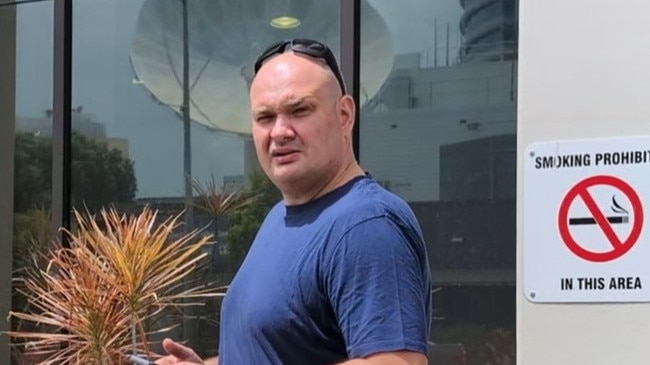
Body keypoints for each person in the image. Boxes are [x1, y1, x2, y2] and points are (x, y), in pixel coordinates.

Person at [155, 38, 432, 365]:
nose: (280, 131)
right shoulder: (280, 217)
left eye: (299, 110)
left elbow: (397, 362)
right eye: (265, 117)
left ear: (344, 115)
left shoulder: (366, 225)